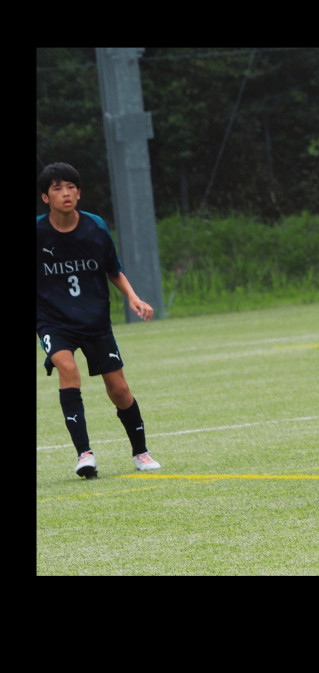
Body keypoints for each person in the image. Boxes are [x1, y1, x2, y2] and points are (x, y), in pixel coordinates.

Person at [37, 162, 161, 479]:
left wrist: (133, 297)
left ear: (79, 193)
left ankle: (141, 452)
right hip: (53, 321)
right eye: (58, 188)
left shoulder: (95, 227)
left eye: (71, 187)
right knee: (67, 368)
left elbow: (112, 270)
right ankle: (85, 455)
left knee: (118, 388)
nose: (66, 193)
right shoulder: (38, 233)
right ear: (45, 197)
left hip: (94, 321)